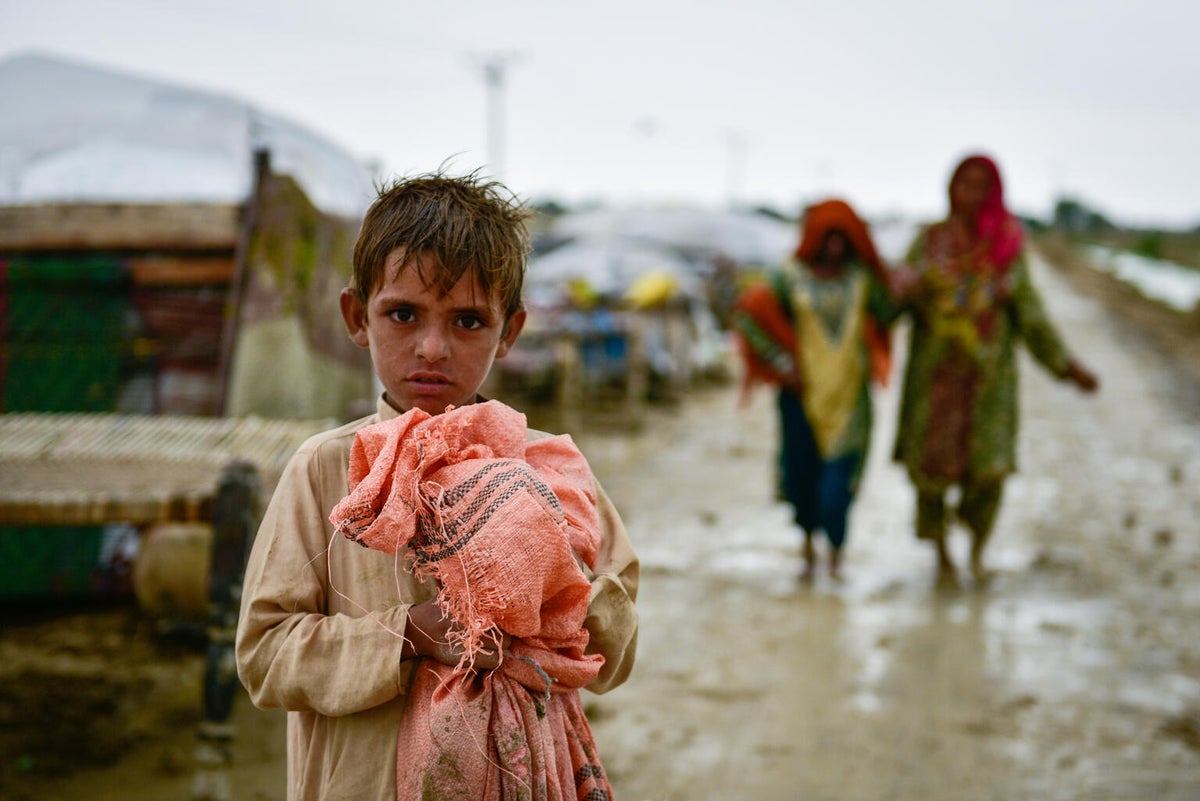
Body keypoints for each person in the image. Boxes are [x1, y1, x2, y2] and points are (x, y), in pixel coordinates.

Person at [235, 171, 639, 801]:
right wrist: (413, 634)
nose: (433, 347)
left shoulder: (550, 472)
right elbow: (264, 655)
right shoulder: (323, 471)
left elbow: (615, 642)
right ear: (356, 316)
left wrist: (552, 606)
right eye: (403, 314)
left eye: (469, 321)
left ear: (510, 331)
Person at [890, 153, 1099, 585]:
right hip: (935, 383)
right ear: (949, 189)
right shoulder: (928, 242)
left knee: (988, 474)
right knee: (929, 475)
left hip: (988, 386)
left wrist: (1067, 367)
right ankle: (943, 556)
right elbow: (893, 303)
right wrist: (899, 290)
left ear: (995, 192)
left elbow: (1032, 316)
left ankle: (977, 550)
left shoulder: (1006, 247)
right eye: (963, 183)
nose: (970, 193)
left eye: (981, 184)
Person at [732, 199, 895, 580]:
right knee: (803, 477)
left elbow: (889, 312)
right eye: (828, 236)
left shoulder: (863, 279)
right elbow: (748, 315)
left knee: (838, 488)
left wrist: (903, 284)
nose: (835, 246)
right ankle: (807, 550)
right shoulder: (787, 277)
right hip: (800, 398)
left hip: (850, 399)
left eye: (843, 237)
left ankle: (837, 555)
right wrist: (782, 364)